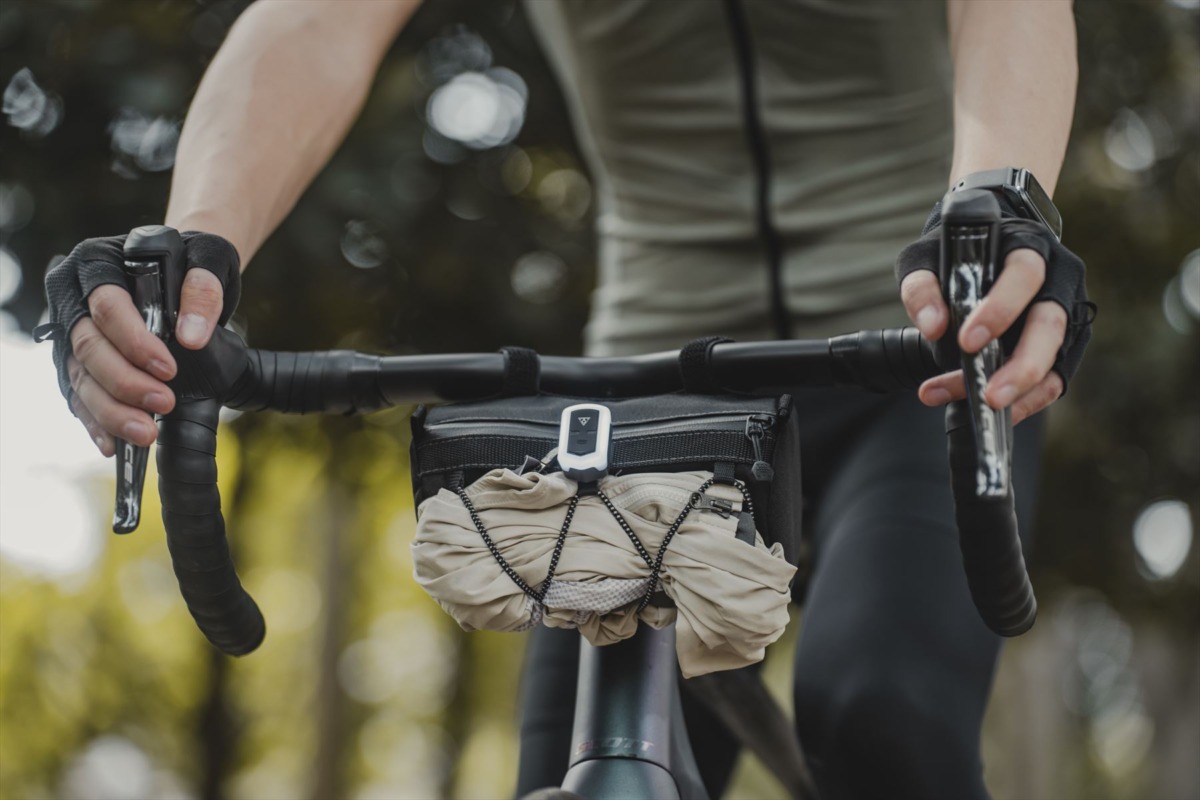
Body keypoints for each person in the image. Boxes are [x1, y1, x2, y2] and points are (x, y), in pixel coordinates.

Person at [40, 1, 1092, 797]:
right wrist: (194, 244)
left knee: (884, 717)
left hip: (914, 358)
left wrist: (997, 202)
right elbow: (316, 22)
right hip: (660, 389)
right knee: (577, 763)